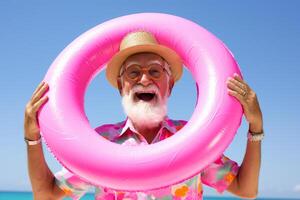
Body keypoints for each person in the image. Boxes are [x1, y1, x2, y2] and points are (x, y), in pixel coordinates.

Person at [24, 31, 264, 200]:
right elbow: (46, 195)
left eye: (155, 71)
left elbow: (246, 189)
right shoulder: (99, 143)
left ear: (169, 86)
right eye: (133, 72)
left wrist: (255, 128)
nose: (145, 79)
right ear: (121, 87)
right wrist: (32, 139)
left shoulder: (193, 138)